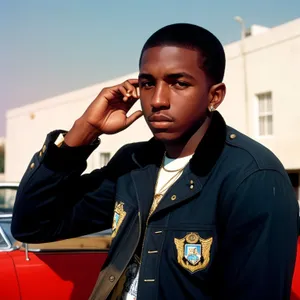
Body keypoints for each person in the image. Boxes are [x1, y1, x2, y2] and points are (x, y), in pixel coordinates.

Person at [11, 23, 299, 300]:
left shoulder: (254, 177)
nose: (158, 99)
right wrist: (85, 129)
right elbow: (33, 224)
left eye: (179, 83)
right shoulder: (134, 163)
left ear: (215, 95)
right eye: (148, 84)